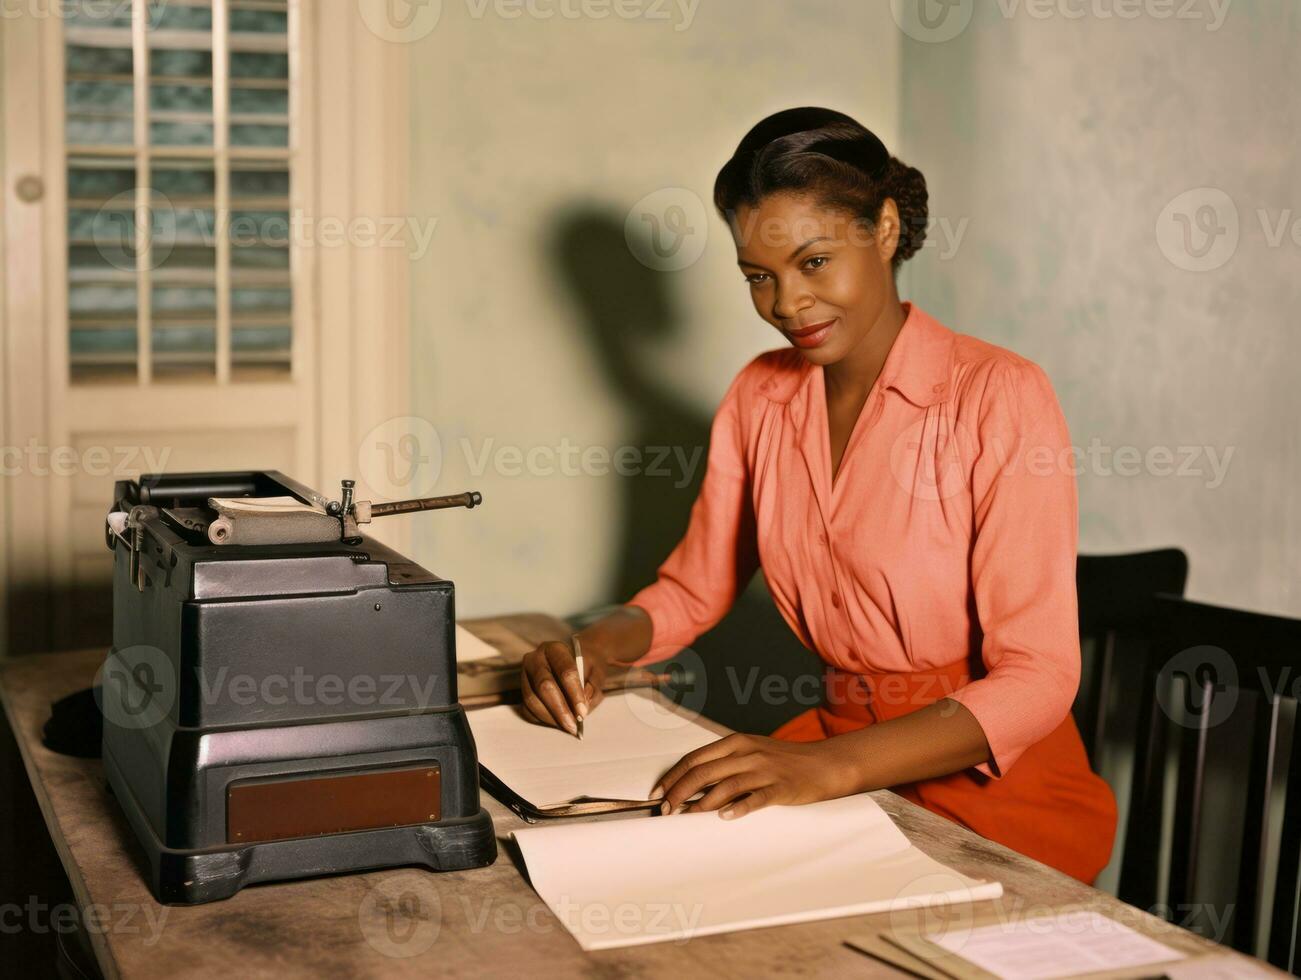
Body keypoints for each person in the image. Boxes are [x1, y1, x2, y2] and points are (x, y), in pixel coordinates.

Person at [519, 106, 1117, 884]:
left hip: (994, 792)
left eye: (814, 262)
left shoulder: (998, 395)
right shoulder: (759, 397)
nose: (786, 305)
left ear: (886, 230)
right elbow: (691, 590)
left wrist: (829, 769)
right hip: (834, 757)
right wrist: (590, 649)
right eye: (758, 277)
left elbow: (1039, 677)